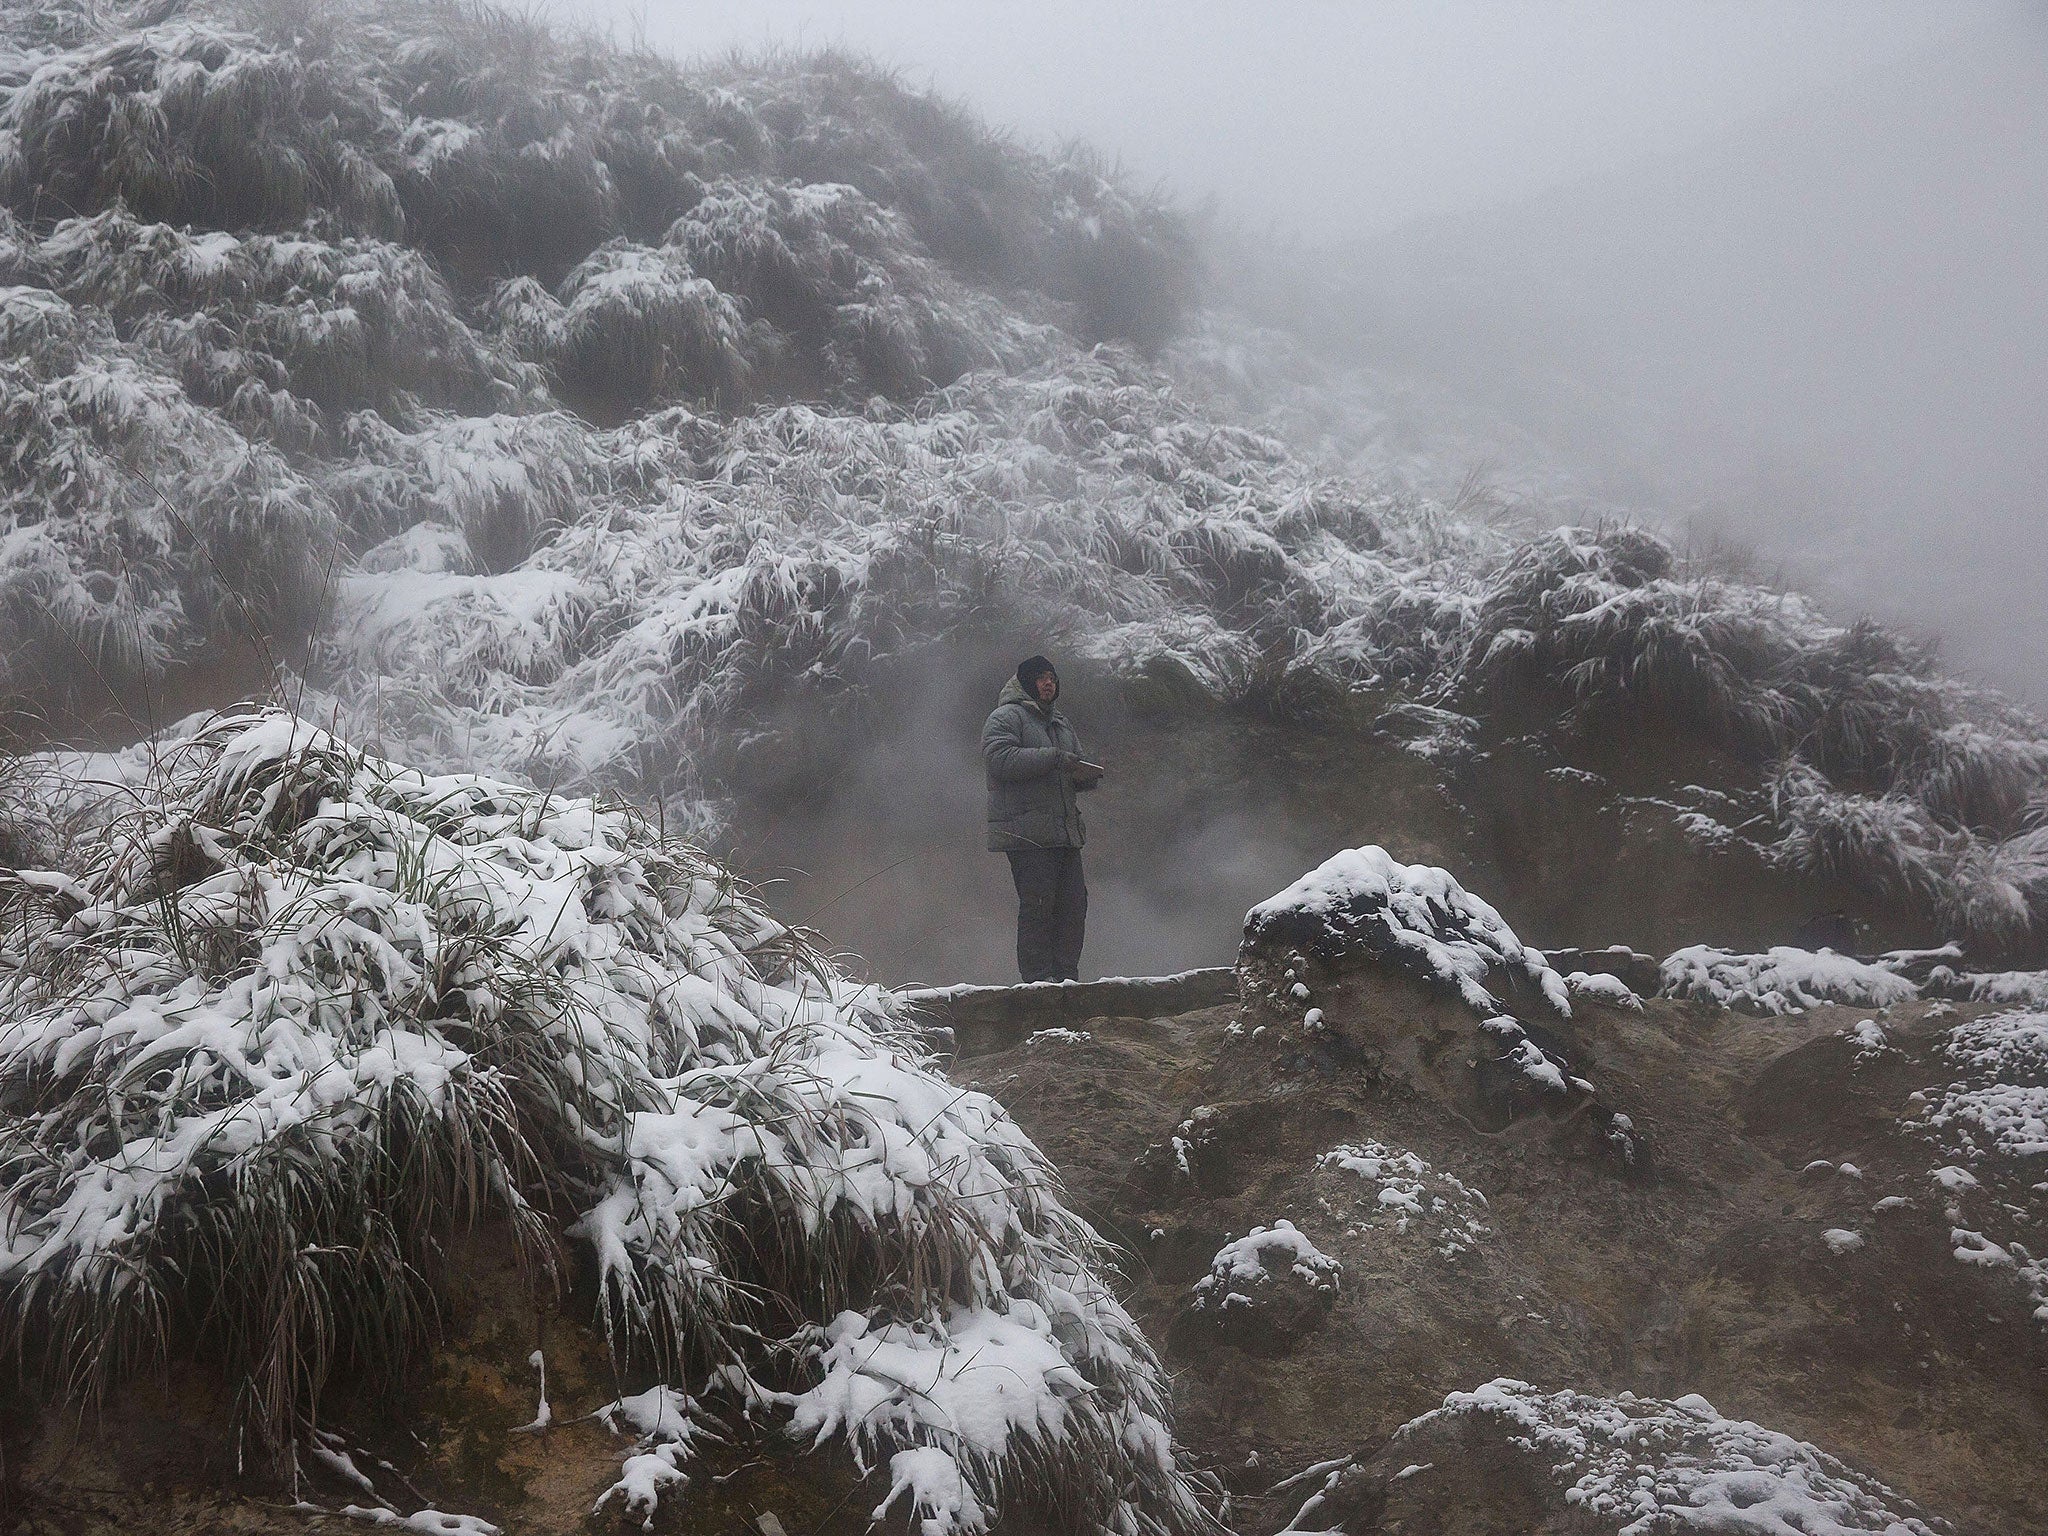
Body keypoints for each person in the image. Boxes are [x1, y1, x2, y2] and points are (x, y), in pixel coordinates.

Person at [982, 655, 1102, 982]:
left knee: (1074, 907)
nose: (1048, 682)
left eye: (1051, 677)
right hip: (1026, 833)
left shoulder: (1060, 722)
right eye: (1040, 677)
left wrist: (1083, 775)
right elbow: (999, 759)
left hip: (1063, 833)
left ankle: (1066, 979)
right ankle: (1037, 983)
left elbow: (1068, 762)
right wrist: (1053, 759)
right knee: (1038, 907)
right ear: (1025, 683)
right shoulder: (1005, 716)